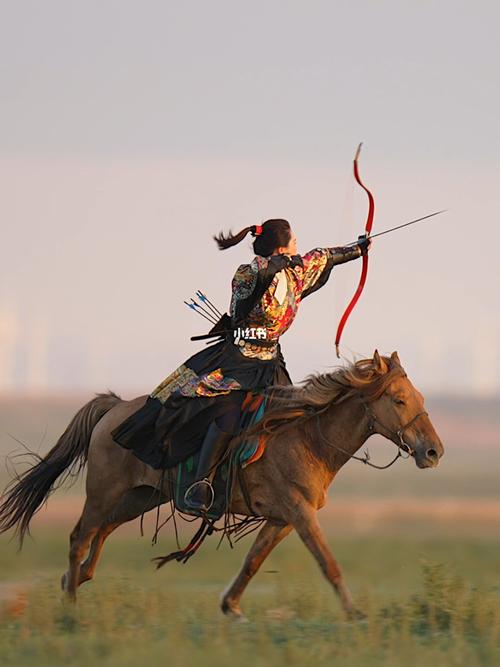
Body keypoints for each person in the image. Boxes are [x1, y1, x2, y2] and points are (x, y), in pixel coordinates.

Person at [111, 218, 370, 512]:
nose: (299, 246)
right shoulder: (248, 273)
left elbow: (323, 256)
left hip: (271, 362)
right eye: (294, 241)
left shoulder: (295, 271)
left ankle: (276, 483)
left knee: (290, 416)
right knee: (227, 413)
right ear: (280, 247)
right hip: (237, 360)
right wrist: (278, 264)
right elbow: (245, 298)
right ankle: (201, 484)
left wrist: (358, 249)